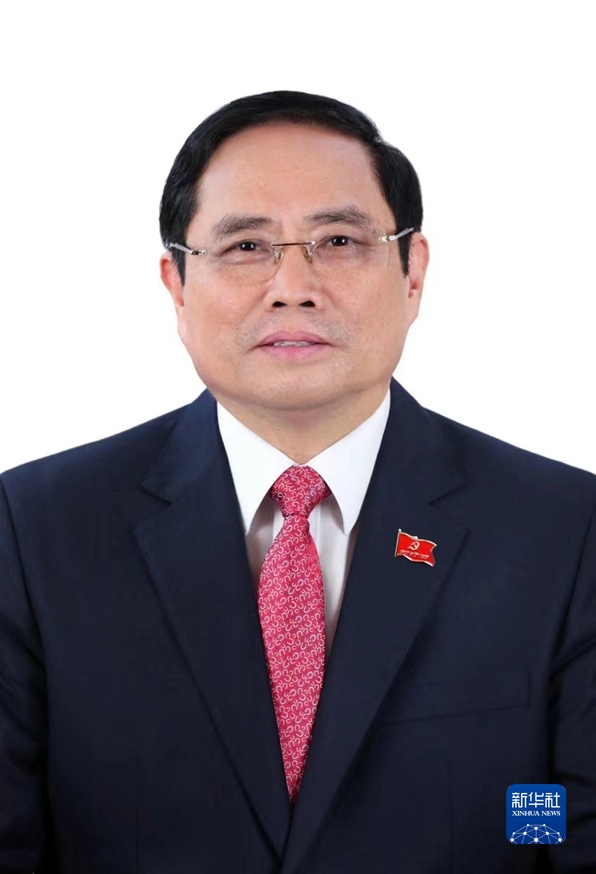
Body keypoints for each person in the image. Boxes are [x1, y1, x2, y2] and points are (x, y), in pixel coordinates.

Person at [0, 90, 594, 874]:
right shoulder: (35, 531)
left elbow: (568, 836)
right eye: (246, 246)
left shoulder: (562, 531)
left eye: (338, 240)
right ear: (177, 285)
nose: (292, 286)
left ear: (413, 273)